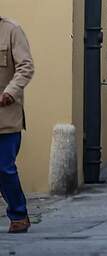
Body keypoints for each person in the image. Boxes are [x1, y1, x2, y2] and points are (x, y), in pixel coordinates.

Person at [0, 15, 35, 234]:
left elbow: (26, 67)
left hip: (5, 117)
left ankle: (19, 214)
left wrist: (10, 93)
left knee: (4, 168)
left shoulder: (12, 31)